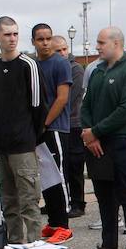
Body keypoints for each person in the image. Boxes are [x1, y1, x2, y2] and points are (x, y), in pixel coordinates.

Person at [79, 26, 126, 249]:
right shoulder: (97, 71)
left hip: (122, 140)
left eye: (101, 42)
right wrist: (90, 134)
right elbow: (85, 105)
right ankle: (109, 245)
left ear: (116, 43)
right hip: (97, 142)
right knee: (104, 194)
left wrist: (96, 131)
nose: (97, 47)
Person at [0, 18, 45, 244]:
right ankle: (15, 246)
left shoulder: (28, 65)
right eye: (7, 34)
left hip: (23, 144)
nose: (12, 39)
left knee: (29, 201)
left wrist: (30, 137)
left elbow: (39, 106)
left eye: (15, 34)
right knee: (8, 202)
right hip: (1, 145)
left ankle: (35, 246)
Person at [31, 24, 73, 243]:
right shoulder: (33, 64)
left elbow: (62, 98)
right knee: (46, 176)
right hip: (38, 129)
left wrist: (45, 123)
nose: (45, 43)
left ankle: (64, 224)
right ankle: (54, 222)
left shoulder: (60, 63)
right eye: (40, 39)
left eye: (48, 38)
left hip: (55, 127)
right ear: (33, 42)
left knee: (58, 175)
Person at [52, 36, 86, 219]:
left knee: (74, 165)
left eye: (64, 49)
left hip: (73, 123)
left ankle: (78, 203)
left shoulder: (75, 69)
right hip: (58, 125)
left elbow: (69, 99)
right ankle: (59, 201)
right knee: (58, 166)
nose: (62, 53)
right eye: (58, 50)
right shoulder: (52, 67)